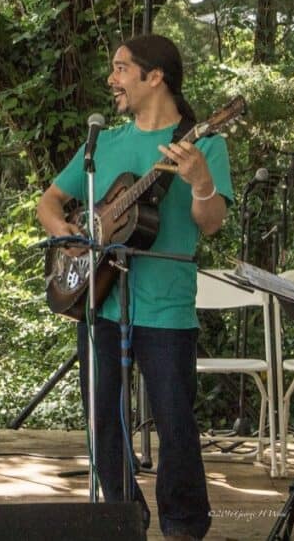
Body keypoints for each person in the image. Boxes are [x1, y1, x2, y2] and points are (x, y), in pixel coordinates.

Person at [36, 34, 233, 540]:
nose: (112, 79)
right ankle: (125, 518)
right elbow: (50, 202)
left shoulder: (204, 143)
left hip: (166, 309)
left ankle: (184, 527)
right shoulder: (107, 143)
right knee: (102, 421)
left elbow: (210, 223)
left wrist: (201, 181)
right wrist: (72, 236)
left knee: (175, 424)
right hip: (101, 303)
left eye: (122, 69)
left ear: (155, 77)